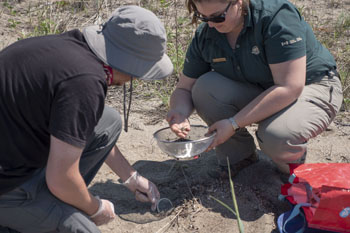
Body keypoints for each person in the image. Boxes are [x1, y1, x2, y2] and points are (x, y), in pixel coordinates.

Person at [0, 5, 173, 233]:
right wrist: (96, 208)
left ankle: (44, 206)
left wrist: (131, 177)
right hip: (8, 187)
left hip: (13, 149)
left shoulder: (69, 48)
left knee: (107, 120)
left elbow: (81, 127)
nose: (136, 79)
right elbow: (60, 178)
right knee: (82, 228)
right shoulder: (84, 84)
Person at [166, 0, 343, 178]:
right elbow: (185, 88)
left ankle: (290, 171)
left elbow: (290, 86)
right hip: (262, 88)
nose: (211, 24)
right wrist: (180, 112)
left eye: (217, 17)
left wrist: (233, 123)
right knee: (205, 88)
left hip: (310, 85)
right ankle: (239, 158)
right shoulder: (207, 34)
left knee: (277, 135)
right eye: (202, 17)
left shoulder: (276, 17)